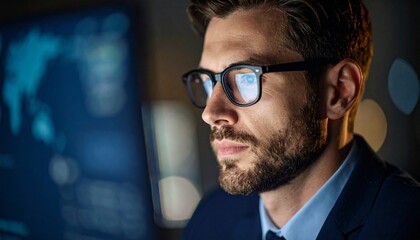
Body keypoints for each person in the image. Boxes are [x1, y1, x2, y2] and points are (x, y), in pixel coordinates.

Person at [181, 0, 420, 239]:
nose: (210, 113)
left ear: (338, 91)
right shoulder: (211, 219)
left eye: (245, 78)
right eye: (208, 81)